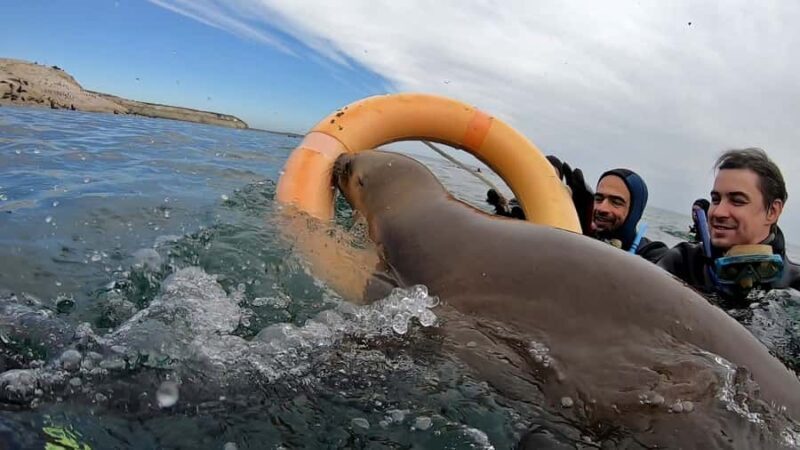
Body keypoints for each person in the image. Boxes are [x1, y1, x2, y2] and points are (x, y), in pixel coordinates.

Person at [657, 148, 800, 302]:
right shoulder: (683, 263)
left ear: (772, 211)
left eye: (737, 201)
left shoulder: (795, 285)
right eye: (716, 199)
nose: (718, 212)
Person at [487, 157, 667, 263]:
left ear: (635, 211)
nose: (603, 208)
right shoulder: (577, 233)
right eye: (599, 198)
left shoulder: (652, 254)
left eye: (616, 202)